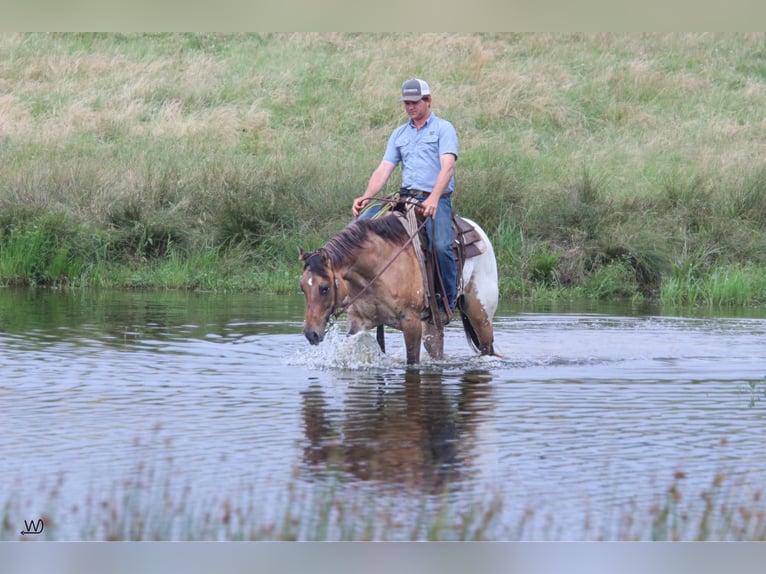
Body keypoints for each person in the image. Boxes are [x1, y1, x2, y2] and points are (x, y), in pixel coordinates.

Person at [352, 78, 458, 314]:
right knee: (356, 228)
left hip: (435, 199)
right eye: (406, 103)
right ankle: (355, 293)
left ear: (428, 101)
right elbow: (384, 169)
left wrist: (433, 198)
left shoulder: (444, 129)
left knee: (441, 246)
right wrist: (367, 196)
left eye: (415, 102)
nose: (410, 107)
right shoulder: (399, 134)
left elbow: (447, 167)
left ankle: (448, 302)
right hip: (405, 198)